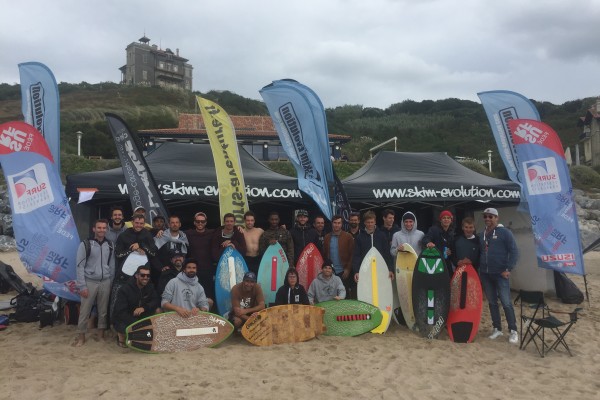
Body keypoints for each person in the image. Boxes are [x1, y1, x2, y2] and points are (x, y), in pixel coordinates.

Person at [478, 208, 519, 344]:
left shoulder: (505, 233)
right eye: (485, 216)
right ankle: (497, 328)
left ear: (497, 218)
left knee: (506, 302)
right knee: (492, 302)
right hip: (486, 274)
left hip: (501, 274)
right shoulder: (481, 234)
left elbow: (514, 252)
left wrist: (508, 269)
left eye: (491, 216)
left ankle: (513, 330)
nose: (488, 219)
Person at [73, 219, 115, 347]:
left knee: (103, 311)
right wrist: (82, 286)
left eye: (104, 228)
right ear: (94, 229)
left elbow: (112, 265)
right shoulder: (85, 244)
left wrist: (110, 282)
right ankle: (81, 336)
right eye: (99, 228)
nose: (102, 230)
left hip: (105, 281)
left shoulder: (110, 245)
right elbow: (79, 266)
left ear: (106, 229)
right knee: (85, 311)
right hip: (89, 281)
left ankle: (101, 335)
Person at [112, 265, 160, 348]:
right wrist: (137, 324)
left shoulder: (150, 287)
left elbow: (155, 301)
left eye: (148, 276)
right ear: (136, 275)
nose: (145, 278)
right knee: (121, 326)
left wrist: (144, 308)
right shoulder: (125, 289)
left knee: (158, 310)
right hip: (128, 317)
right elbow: (120, 311)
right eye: (142, 275)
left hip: (143, 315)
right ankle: (121, 337)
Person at [352, 211, 393, 283]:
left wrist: (390, 269)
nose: (370, 224)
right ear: (364, 223)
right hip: (365, 270)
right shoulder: (359, 237)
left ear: (375, 222)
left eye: (372, 222)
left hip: (380, 269)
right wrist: (356, 271)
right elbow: (357, 255)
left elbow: (387, 253)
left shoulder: (381, 236)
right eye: (368, 222)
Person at [114, 214, 157, 281]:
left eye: (141, 223)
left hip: (144, 272)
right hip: (126, 271)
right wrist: (131, 249)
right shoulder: (124, 235)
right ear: (132, 222)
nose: (139, 225)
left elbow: (154, 253)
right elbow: (117, 254)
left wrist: (141, 245)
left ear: (144, 224)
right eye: (136, 223)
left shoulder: (148, 234)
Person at [185, 212, 216, 301]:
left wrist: (237, 228)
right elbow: (174, 232)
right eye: (198, 221)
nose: (200, 223)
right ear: (194, 222)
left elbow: (226, 229)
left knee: (208, 295)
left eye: (202, 222)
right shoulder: (188, 233)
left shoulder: (212, 232)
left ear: (206, 222)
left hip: (208, 270)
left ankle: (207, 314)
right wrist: (161, 231)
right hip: (193, 270)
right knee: (193, 294)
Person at [323, 215, 355, 299]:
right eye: (335, 223)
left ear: (342, 224)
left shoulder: (348, 237)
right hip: (331, 272)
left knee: (345, 294)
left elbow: (352, 254)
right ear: (332, 224)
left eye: (339, 223)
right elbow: (325, 254)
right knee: (331, 294)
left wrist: (348, 269)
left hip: (343, 272)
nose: (337, 225)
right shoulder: (327, 237)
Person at [423, 209, 456, 276]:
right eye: (444, 218)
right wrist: (428, 243)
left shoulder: (452, 233)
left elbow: (453, 248)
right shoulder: (433, 229)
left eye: (448, 218)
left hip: (447, 262)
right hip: (435, 262)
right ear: (440, 220)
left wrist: (450, 252)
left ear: (451, 220)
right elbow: (425, 239)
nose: (446, 220)